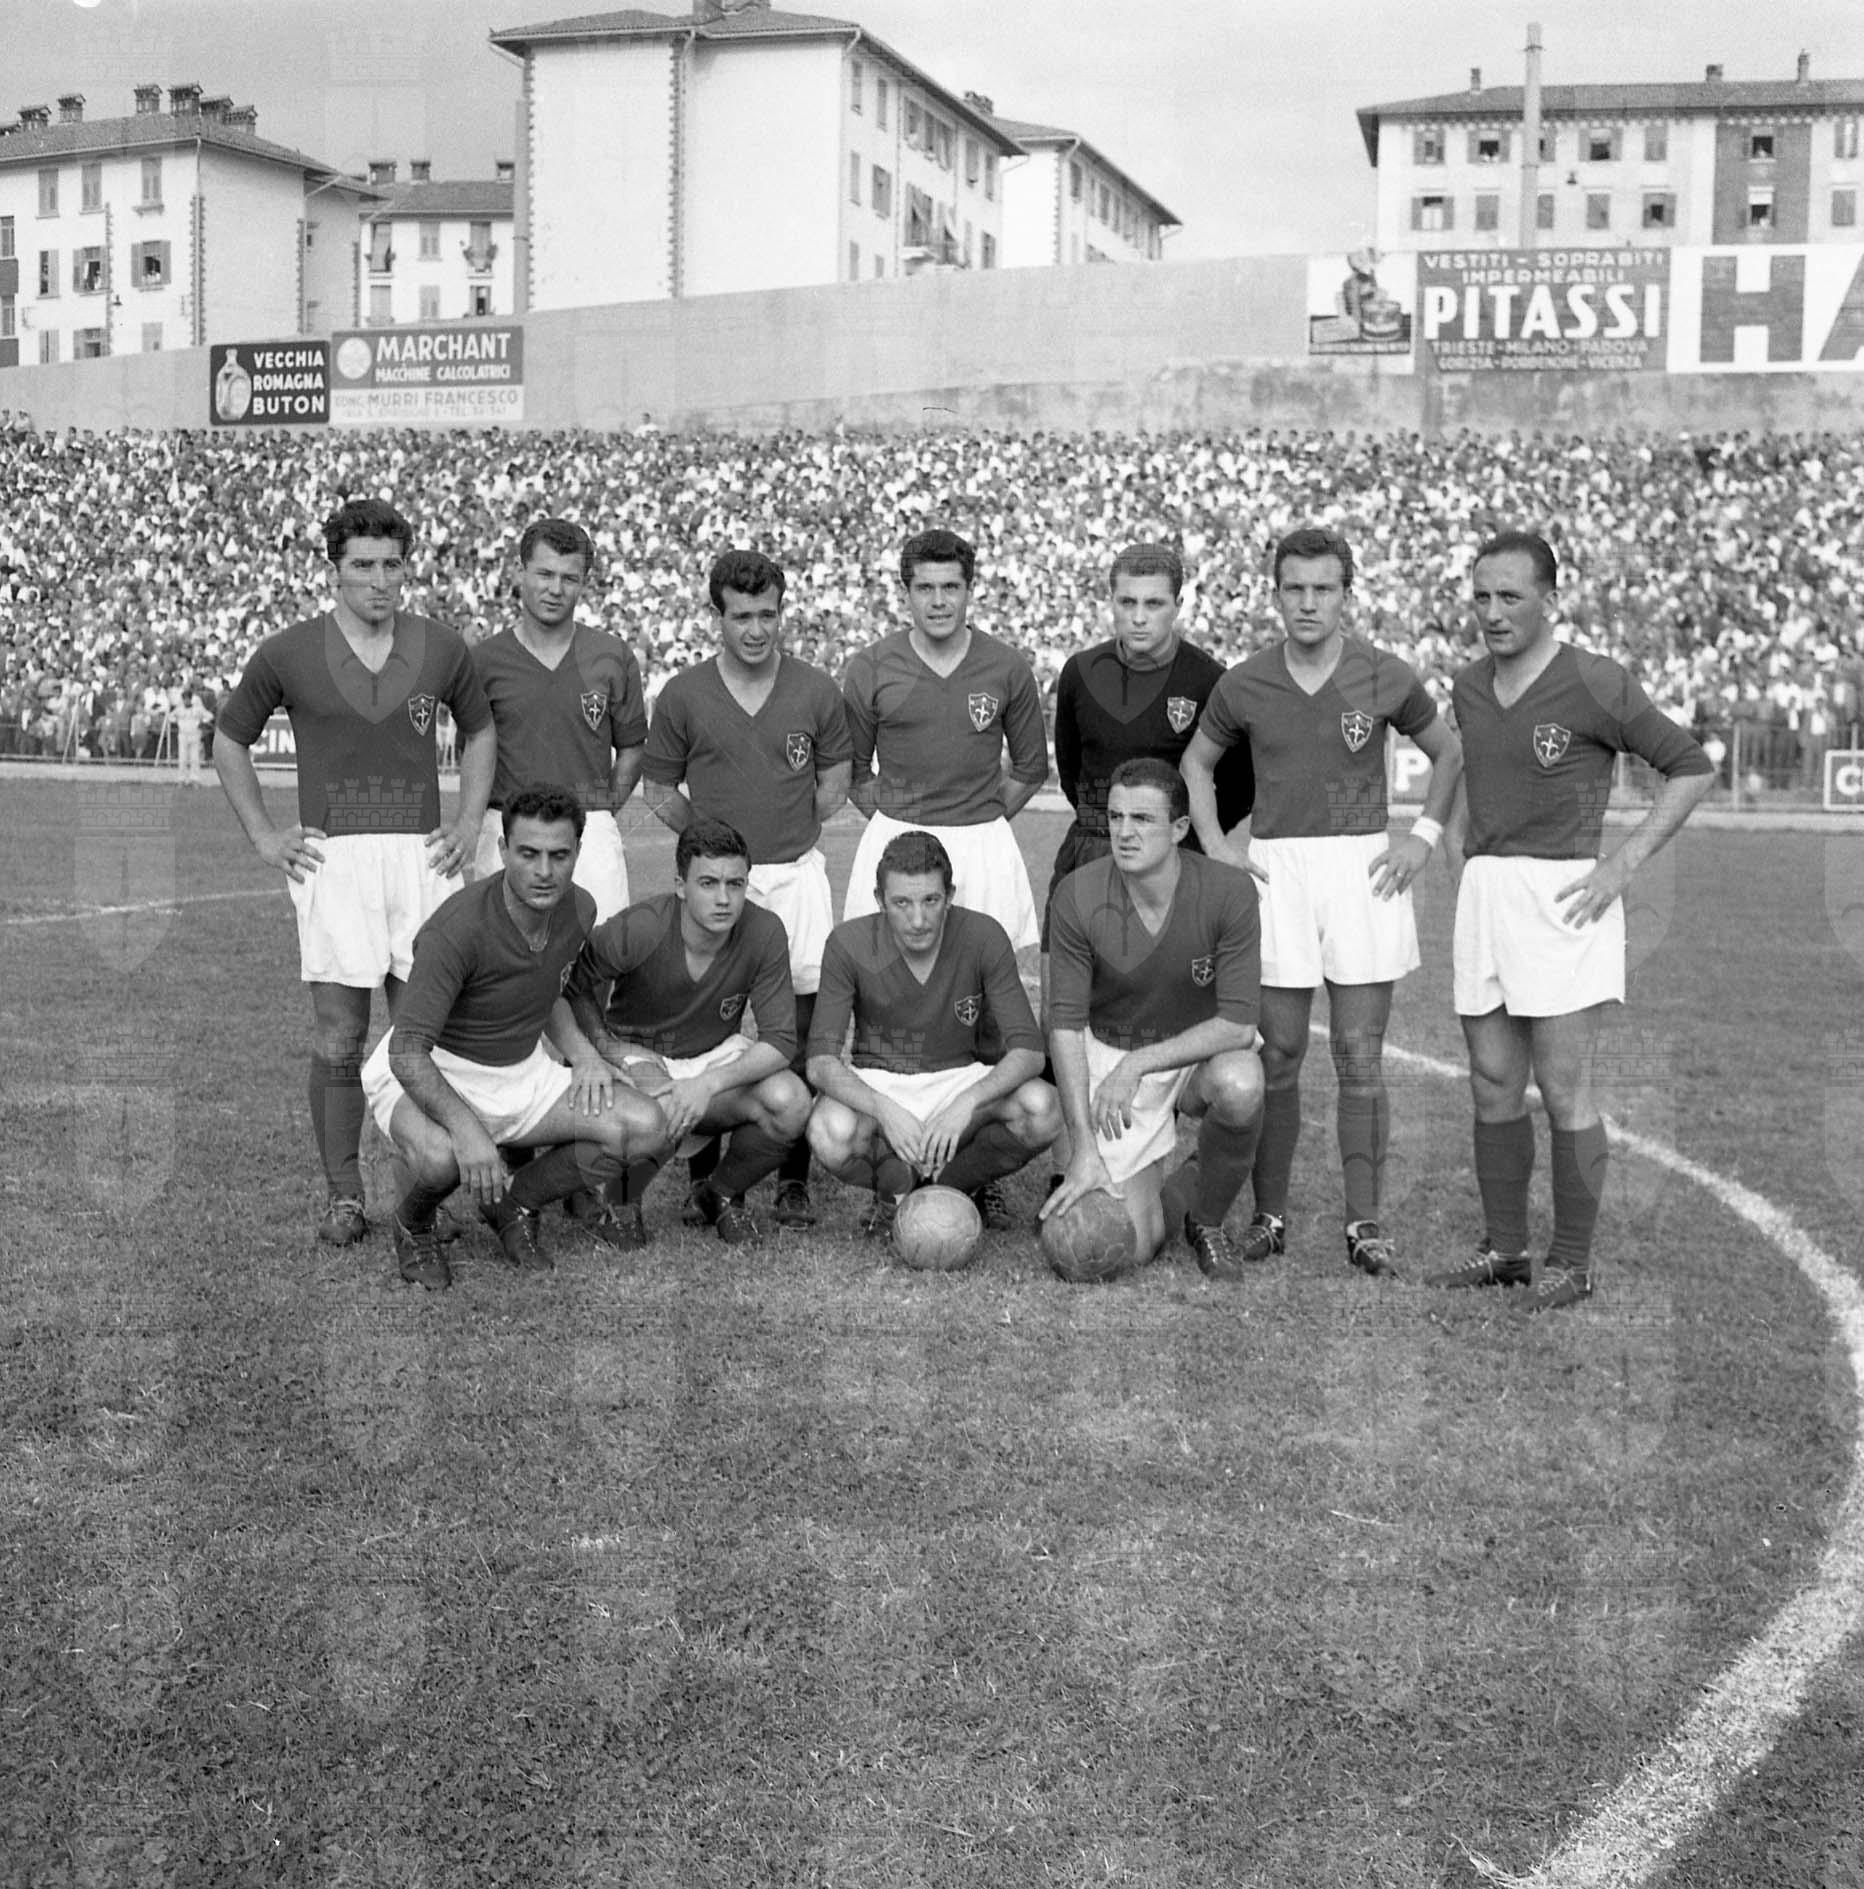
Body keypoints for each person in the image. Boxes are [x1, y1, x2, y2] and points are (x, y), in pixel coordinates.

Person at [1430, 529, 1714, 1311]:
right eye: (1481, 597)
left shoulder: (1595, 681)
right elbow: (1471, 766)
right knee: (1492, 1080)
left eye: (1510, 597)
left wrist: (1622, 864)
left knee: (1563, 1088)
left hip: (1565, 896)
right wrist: (1458, 843)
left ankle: (1574, 1262)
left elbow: (1691, 767)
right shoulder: (1468, 684)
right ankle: (1505, 1249)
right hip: (1487, 894)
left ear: (1551, 600)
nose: (1492, 612)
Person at [214, 496, 497, 1247]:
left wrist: (469, 821)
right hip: (333, 859)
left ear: (407, 569)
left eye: (392, 565)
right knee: (342, 1034)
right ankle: (345, 1196)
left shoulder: (442, 647)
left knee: (425, 1033)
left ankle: (421, 1191)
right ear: (333, 571)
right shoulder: (288, 652)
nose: (379, 580)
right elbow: (230, 738)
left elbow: (480, 729)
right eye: (363, 565)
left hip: (423, 857)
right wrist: (265, 835)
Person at [1180, 526, 1462, 1277]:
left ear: (1346, 595)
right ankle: (1269, 1217)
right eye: (1295, 589)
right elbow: (1196, 763)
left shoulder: (1384, 673)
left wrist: (1422, 838)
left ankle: (1363, 1223)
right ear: (1275, 595)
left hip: (1362, 866)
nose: (1308, 602)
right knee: (1277, 1054)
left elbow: (1448, 752)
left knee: (1359, 1054)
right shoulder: (1246, 682)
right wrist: (1216, 844)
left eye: (1323, 589)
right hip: (1277, 871)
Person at [360, 786, 668, 1289]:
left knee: (645, 1125)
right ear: (503, 851)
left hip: (519, 1071)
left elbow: (549, 990)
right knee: (442, 1157)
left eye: (558, 855)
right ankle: (413, 1224)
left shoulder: (580, 908)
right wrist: (467, 1129)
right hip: (435, 1069)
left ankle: (516, 1203)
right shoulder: (456, 930)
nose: (544, 870)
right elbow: (407, 1051)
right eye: (528, 853)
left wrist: (584, 1055)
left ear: (577, 853)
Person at [640, 549, 851, 1227]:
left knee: (805, 1029)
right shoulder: (684, 693)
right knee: (706, 1021)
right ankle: (702, 1174)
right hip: (719, 883)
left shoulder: (816, 689)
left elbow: (834, 784)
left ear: (782, 612)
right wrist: (711, 846)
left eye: (767, 614)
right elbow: (657, 788)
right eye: (741, 616)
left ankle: (793, 1178)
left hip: (795, 877)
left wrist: (785, 831)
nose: (756, 629)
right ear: (718, 617)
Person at [1042, 760, 1266, 1273]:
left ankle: (1206, 1217)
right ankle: (1183, 1179)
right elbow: (1066, 1028)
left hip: (1193, 1053)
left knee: (1241, 1083)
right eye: (1116, 817)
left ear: (1180, 828)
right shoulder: (1077, 893)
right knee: (1130, 1248)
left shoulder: (1229, 891)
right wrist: (1083, 1148)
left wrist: (1139, 1064)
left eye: (1142, 819)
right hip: (1111, 1051)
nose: (1124, 832)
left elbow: (1238, 1025)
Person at [805, 829, 1060, 1240]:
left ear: (950, 895)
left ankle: (953, 1185)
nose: (918, 919)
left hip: (958, 1077)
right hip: (883, 1082)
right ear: (879, 899)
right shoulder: (848, 943)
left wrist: (967, 1102)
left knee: (1043, 1109)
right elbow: (820, 1063)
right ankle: (896, 1188)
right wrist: (882, 1108)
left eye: (930, 900)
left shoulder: (983, 935)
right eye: (901, 903)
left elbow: (1029, 1050)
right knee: (828, 1131)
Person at [568, 818, 811, 1248]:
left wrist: (708, 1083)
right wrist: (604, 1047)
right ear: (681, 885)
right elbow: (573, 985)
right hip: (641, 1057)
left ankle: (719, 1192)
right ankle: (621, 1200)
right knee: (660, 1105)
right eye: (708, 883)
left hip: (710, 1059)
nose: (724, 899)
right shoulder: (641, 926)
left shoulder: (764, 930)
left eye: (735, 884)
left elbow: (780, 1042)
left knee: (790, 1101)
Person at [841, 528, 1049, 952]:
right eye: (925, 588)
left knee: (986, 976)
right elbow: (854, 771)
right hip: (894, 842)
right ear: (906, 593)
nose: (939, 601)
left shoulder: (1007, 666)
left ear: (970, 589)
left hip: (983, 847)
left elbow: (1031, 769)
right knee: (887, 976)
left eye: (951, 587)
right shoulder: (871, 666)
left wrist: (980, 816)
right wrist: (895, 820)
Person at [470, 518, 647, 924]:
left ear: (584, 582)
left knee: (600, 952)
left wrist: (600, 812)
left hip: (588, 831)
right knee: (503, 956)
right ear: (520, 572)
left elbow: (632, 749)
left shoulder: (612, 656)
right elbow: (474, 751)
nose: (555, 588)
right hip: (506, 829)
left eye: (569, 578)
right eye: (545, 574)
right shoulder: (484, 661)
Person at [174, 688, 208, 786]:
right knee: (182, 758)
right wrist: (178, 722)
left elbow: (209, 715)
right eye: (184, 699)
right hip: (183, 735)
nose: (186, 700)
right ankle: (181, 779)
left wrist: (202, 722)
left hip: (194, 734)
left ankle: (195, 779)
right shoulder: (179, 709)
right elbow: (170, 716)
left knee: (194, 758)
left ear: (190, 698)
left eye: (187, 698)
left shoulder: (198, 709)